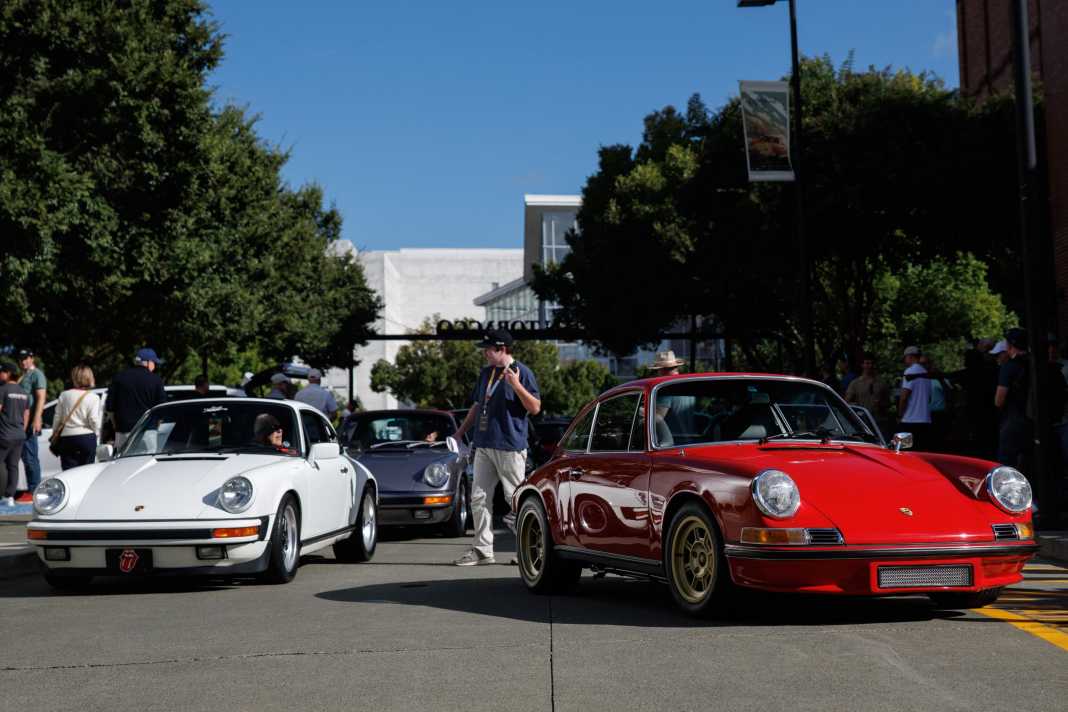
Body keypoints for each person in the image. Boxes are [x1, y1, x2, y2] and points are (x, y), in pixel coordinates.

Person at [452, 329, 540, 566]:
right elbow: (477, 405)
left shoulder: (523, 372)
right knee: (478, 498)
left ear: (502, 349)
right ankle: (482, 551)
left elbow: (535, 408)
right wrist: (460, 432)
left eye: (488, 349)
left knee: (515, 500)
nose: (484, 353)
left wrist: (516, 385)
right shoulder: (485, 374)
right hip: (483, 444)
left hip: (510, 447)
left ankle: (527, 550)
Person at [107, 348, 167, 449]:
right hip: (147, 430)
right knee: (146, 461)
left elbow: (110, 407)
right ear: (148, 362)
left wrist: (115, 425)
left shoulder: (119, 377)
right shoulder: (156, 379)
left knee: (123, 462)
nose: (155, 365)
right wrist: (156, 425)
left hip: (123, 430)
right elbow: (161, 407)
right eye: (154, 362)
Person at [995, 328, 1033, 468]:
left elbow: (999, 400)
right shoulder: (1034, 364)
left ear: (1010, 345)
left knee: (1007, 465)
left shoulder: (1009, 367)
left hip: (1013, 421)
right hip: (1034, 421)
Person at [52, 365, 103, 470]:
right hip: (87, 437)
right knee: (87, 471)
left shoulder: (64, 395)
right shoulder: (93, 397)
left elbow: (57, 417)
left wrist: (55, 434)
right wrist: (97, 433)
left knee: (68, 472)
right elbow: (93, 419)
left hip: (67, 438)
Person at [16, 348, 46, 497]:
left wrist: (37, 418)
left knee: (30, 456)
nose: (23, 362)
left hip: (30, 422)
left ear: (32, 358)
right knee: (25, 457)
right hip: (19, 422)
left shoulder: (36, 374)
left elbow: (41, 397)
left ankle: (34, 491)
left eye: (26, 358)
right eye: (21, 359)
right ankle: (30, 489)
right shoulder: (23, 376)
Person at [0, 362, 30, 507]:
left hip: (4, 434)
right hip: (19, 435)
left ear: (8, 373)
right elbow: (26, 413)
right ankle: (9, 497)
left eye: (2, 372)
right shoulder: (23, 392)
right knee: (13, 466)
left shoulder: (3, 389)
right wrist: (22, 430)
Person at [844, 353, 890, 434]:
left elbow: (888, 403)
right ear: (862, 365)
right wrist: (857, 406)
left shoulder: (882, 383)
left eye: (872, 363)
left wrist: (881, 404)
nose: (870, 366)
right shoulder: (855, 383)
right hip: (862, 421)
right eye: (867, 363)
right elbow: (846, 402)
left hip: (878, 421)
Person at [897, 346, 932, 449]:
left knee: (905, 452)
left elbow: (904, 397)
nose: (905, 360)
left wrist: (899, 415)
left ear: (910, 357)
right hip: (925, 421)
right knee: (921, 452)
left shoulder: (910, 372)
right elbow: (929, 398)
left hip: (909, 421)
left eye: (905, 357)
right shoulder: (925, 373)